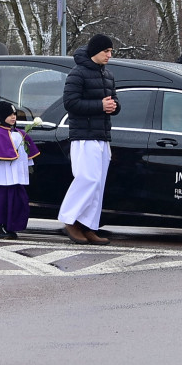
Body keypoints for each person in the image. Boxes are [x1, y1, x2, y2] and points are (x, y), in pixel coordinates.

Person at [58, 33, 119, 245]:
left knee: (98, 184)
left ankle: (89, 225)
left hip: (102, 135)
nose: (109, 55)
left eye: (111, 51)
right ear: (95, 52)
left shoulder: (108, 75)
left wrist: (114, 107)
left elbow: (114, 101)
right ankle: (69, 219)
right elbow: (70, 103)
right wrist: (100, 106)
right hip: (83, 136)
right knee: (87, 178)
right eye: (106, 51)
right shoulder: (77, 73)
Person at [0, 101, 40, 239]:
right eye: (9, 114)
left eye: (14, 114)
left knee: (18, 200)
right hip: (2, 176)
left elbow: (27, 155)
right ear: (0, 116)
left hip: (16, 176)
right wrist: (3, 154)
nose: (13, 117)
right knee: (1, 201)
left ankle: (7, 225)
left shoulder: (21, 134)